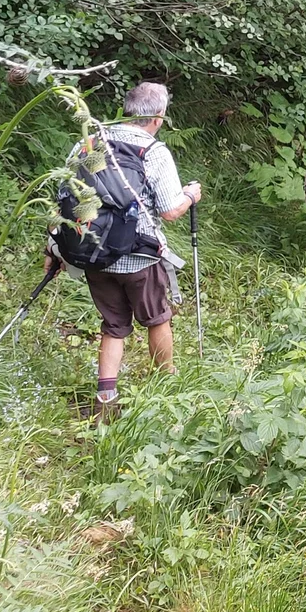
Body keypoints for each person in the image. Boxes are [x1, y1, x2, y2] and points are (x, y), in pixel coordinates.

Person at [76, 81, 201, 419]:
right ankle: (167, 383)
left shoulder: (90, 142)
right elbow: (170, 210)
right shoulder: (153, 151)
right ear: (158, 117)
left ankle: (106, 395)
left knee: (113, 324)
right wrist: (191, 195)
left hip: (93, 251)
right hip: (139, 255)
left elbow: (68, 195)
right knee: (157, 318)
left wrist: (53, 248)